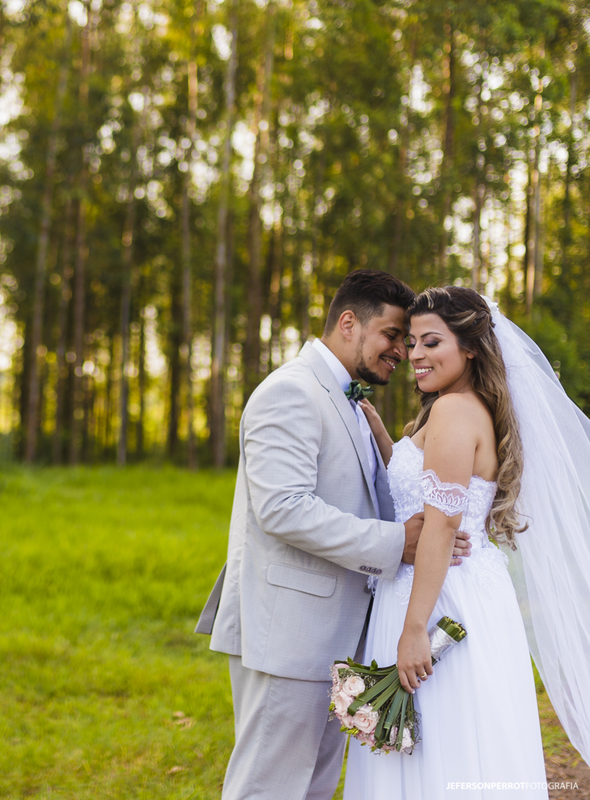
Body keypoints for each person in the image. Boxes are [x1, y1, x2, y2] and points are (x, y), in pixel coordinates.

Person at [194, 269, 472, 800]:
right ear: (349, 322)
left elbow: (360, 495)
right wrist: (399, 544)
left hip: (336, 633)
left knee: (315, 785)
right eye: (393, 335)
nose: (402, 350)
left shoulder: (347, 397)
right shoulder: (290, 392)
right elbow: (284, 508)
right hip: (290, 630)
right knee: (269, 786)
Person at [345, 287, 549, 797]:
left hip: (439, 604)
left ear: (471, 347)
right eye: (411, 343)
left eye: (431, 342)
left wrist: (415, 630)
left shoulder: (456, 412)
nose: (415, 355)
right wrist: (384, 439)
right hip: (449, 588)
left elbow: (438, 524)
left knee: (439, 748)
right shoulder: (453, 408)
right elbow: (425, 484)